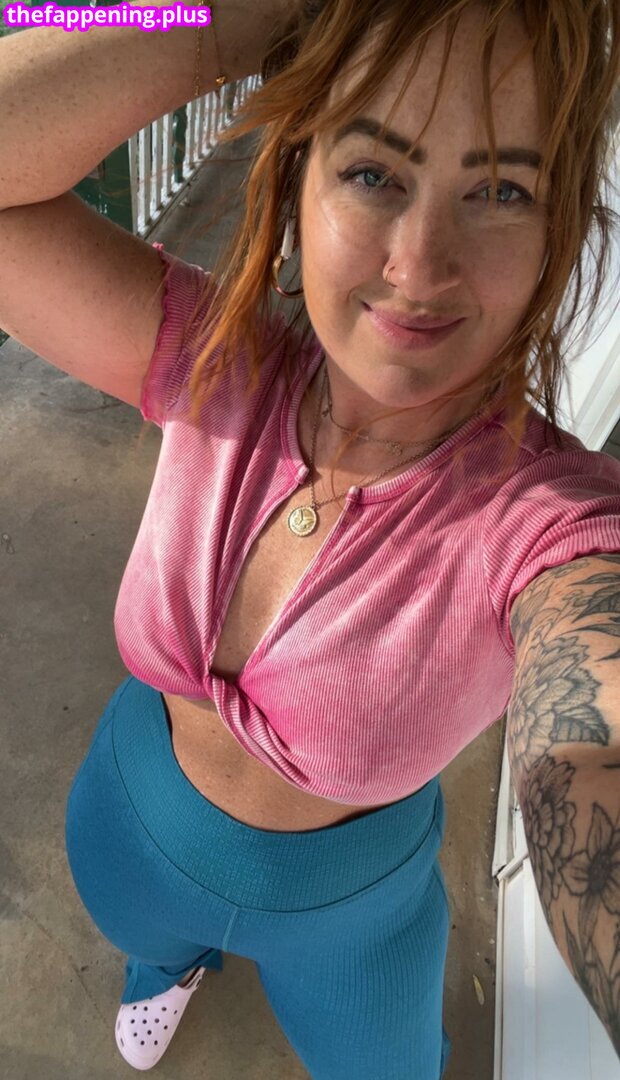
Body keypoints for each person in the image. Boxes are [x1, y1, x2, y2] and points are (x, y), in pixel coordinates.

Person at [1, 0, 620, 1076]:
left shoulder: (547, 524)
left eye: (500, 191)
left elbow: (590, 737)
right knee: (147, 944)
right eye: (372, 172)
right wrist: (266, 17)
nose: (419, 265)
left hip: (350, 925)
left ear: (552, 236)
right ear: (295, 181)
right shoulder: (212, 362)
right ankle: (167, 965)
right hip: (127, 824)